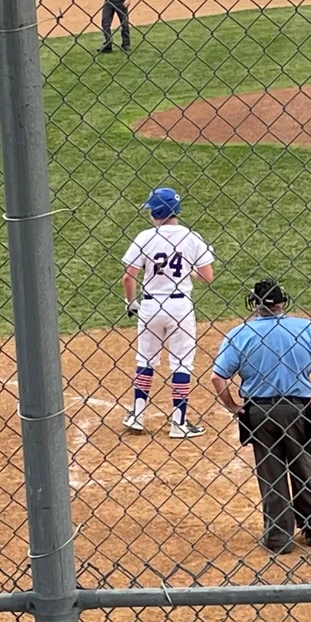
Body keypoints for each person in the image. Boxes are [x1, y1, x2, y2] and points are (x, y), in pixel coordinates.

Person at [210, 279, 311, 554]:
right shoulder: (306, 328)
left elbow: (218, 378)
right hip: (297, 409)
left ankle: (279, 538)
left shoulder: (238, 334)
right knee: (304, 466)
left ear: (254, 304)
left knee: (271, 471)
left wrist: (233, 407)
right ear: (283, 303)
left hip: (260, 412)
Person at [120, 186, 216, 437]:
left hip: (151, 306)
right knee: (182, 363)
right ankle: (178, 423)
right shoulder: (192, 238)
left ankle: (137, 416)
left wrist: (131, 303)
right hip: (180, 306)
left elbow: (128, 277)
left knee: (145, 360)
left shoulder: (145, 237)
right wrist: (188, 270)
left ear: (157, 212)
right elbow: (208, 276)